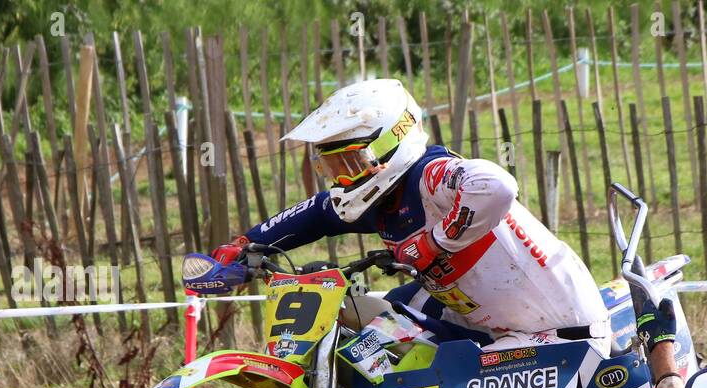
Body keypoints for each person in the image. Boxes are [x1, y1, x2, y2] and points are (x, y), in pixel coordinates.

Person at [210, 78, 611, 357]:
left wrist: (435, 242)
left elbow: (497, 184)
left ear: (389, 146)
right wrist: (245, 246)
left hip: (557, 335)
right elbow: (318, 213)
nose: (343, 179)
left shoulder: (429, 176)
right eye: (333, 167)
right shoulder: (379, 198)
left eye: (351, 161)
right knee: (357, 328)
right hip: (484, 325)